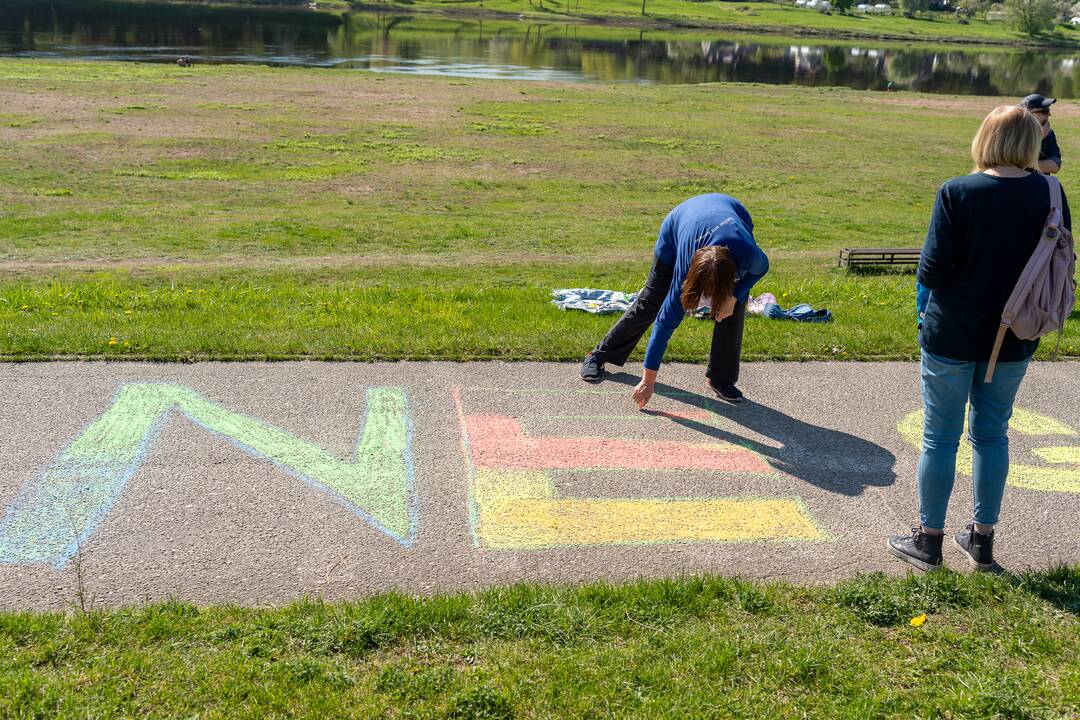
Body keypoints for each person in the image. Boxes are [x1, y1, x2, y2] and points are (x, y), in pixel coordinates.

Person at [889, 106, 1071, 573]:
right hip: (1016, 334)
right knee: (992, 436)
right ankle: (982, 539)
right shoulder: (1051, 190)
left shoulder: (958, 192)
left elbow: (931, 272)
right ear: (1032, 142)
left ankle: (929, 541)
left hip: (952, 333)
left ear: (984, 139)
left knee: (940, 439)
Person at [579, 193, 769, 408]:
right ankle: (597, 355)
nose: (704, 303)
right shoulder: (683, 273)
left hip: (732, 212)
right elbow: (663, 325)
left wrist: (733, 296)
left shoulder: (749, 255)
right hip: (677, 228)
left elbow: (762, 268)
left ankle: (720, 379)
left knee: (731, 308)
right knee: (651, 302)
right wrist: (648, 381)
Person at [1020, 93, 1061, 175]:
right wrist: (1039, 138)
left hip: (1040, 184)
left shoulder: (1049, 133)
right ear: (1031, 114)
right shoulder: (1013, 133)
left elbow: (1055, 165)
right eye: (1045, 111)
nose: (1049, 114)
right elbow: (1010, 163)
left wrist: (1025, 164)